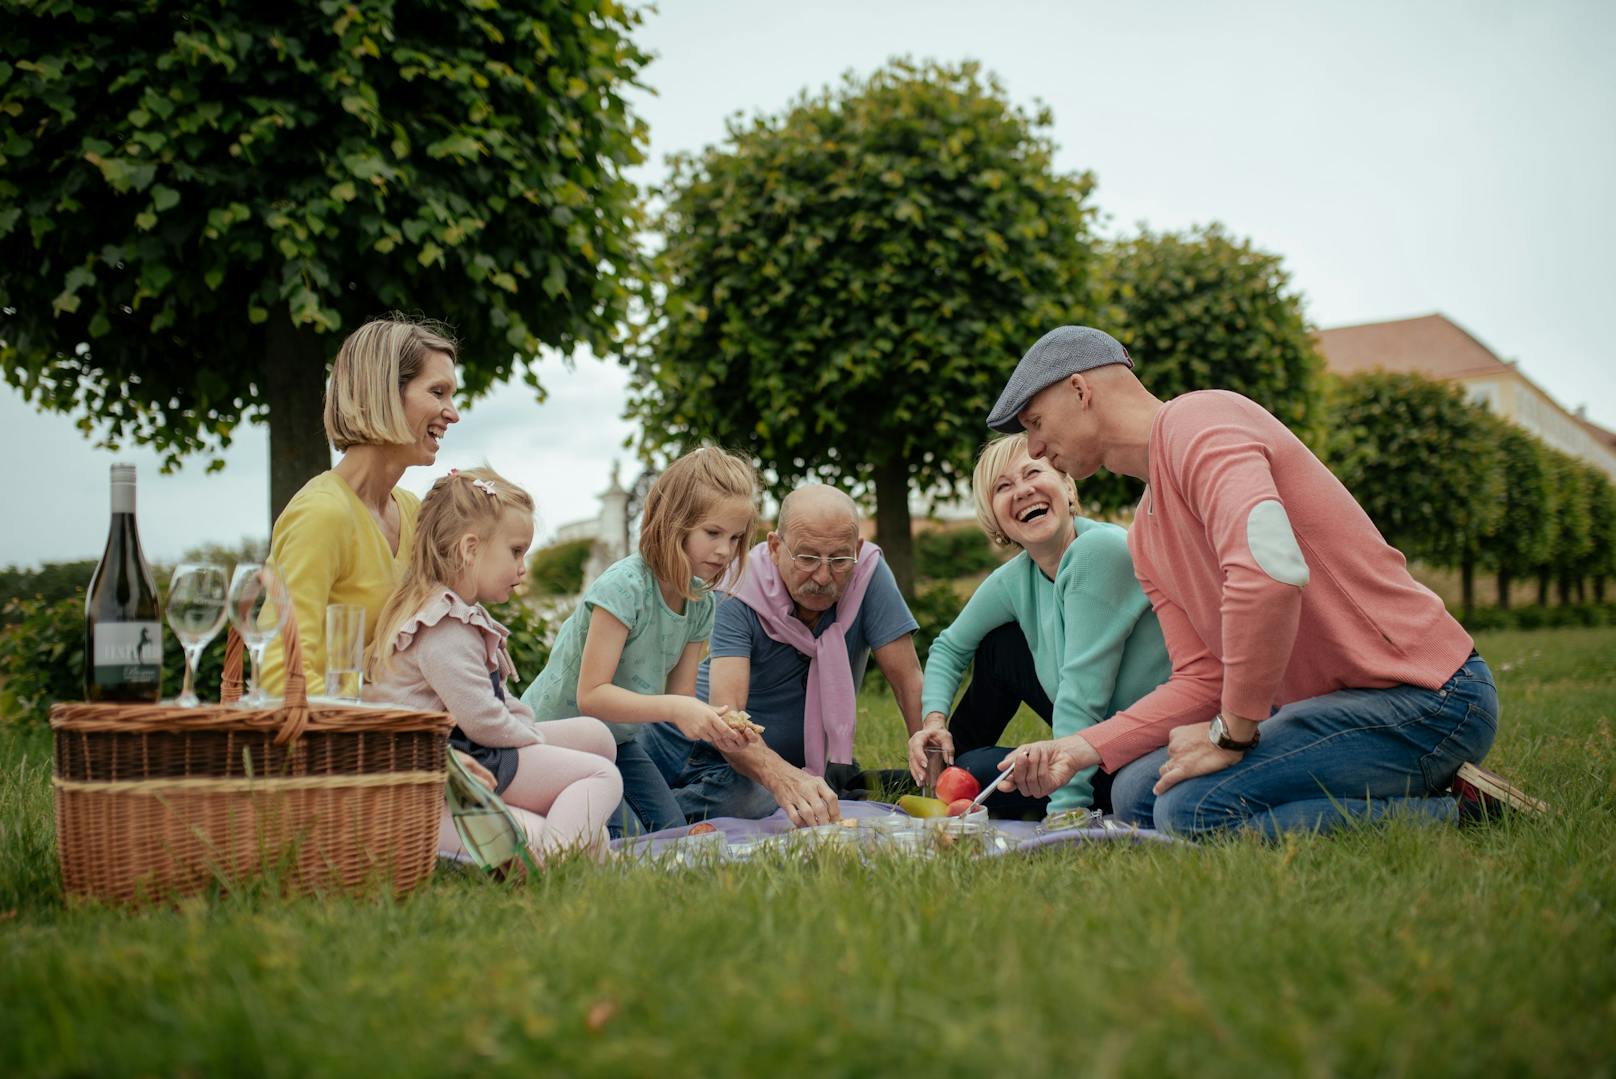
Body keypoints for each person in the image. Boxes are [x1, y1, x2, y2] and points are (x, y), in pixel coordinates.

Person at [983, 324, 1509, 837]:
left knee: (1190, 809)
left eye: (1034, 422)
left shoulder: (1200, 421)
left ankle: (1462, 812)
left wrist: (1231, 734)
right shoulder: (1145, 535)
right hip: (1326, 712)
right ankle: (1397, 787)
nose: (1032, 447)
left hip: (1426, 698)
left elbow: (1270, 575)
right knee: (1136, 792)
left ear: (1080, 390)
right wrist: (1083, 748)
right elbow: (1202, 677)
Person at [366, 468, 620, 863]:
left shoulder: (456, 612)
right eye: (516, 551)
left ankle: (557, 838)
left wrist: (534, 737)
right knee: (601, 779)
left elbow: (496, 704)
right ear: (471, 549)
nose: (523, 567)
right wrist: (539, 748)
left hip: (470, 759)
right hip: (439, 787)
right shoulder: (442, 626)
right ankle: (548, 863)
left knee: (596, 739)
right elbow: (483, 720)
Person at [909, 433, 1170, 819]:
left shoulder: (1100, 552)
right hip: (1091, 740)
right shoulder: (1015, 578)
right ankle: (937, 772)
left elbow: (1082, 696)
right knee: (999, 649)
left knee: (980, 774)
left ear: (1067, 485)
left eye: (1033, 472)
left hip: (1142, 745)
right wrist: (934, 721)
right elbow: (950, 646)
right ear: (995, 519)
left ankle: (959, 783)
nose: (1022, 491)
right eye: (1003, 487)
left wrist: (1067, 811)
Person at [641, 484, 926, 828]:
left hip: (770, 763)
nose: (823, 577)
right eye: (807, 558)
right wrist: (780, 777)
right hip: (688, 744)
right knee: (753, 798)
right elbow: (728, 715)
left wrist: (934, 776)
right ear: (775, 548)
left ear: (857, 549)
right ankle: (637, 811)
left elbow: (908, 679)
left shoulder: (868, 575)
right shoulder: (738, 584)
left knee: (771, 797)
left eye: (838, 559)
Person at [520, 447, 761, 835]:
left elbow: (679, 698)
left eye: (735, 538)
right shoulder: (624, 587)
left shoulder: (699, 603)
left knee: (670, 831)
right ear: (673, 524)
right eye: (713, 533)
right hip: (556, 740)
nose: (724, 550)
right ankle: (528, 810)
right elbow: (592, 696)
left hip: (618, 743)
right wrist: (680, 708)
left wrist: (718, 724)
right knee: (627, 838)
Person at [261, 317, 461, 694]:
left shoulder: (412, 511)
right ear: (384, 392)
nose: (452, 412)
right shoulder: (323, 515)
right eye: (438, 392)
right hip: (340, 745)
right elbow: (278, 677)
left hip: (402, 732)